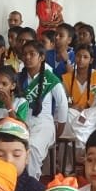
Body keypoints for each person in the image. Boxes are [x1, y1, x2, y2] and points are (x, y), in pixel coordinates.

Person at [18, 41, 69, 178]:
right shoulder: (18, 78)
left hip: (43, 123)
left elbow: (62, 104)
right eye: (25, 54)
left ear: (41, 57)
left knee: (32, 147)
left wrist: (59, 130)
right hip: (20, 122)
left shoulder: (50, 78)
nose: (27, 57)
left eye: (32, 54)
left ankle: (31, 182)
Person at [62, 45, 96, 146]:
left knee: (80, 123)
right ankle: (82, 146)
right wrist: (72, 105)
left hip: (93, 115)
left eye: (85, 57)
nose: (81, 59)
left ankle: (80, 146)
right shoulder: (67, 78)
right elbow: (65, 99)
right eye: (78, 56)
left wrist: (91, 110)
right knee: (68, 114)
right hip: (74, 113)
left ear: (91, 60)